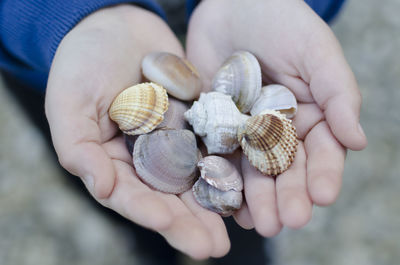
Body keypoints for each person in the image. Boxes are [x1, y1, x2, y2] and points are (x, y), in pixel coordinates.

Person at [0, 0, 367, 263]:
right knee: (120, 191)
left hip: (229, 43)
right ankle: (154, 250)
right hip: (57, 59)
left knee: (241, 220)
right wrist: (62, 14)